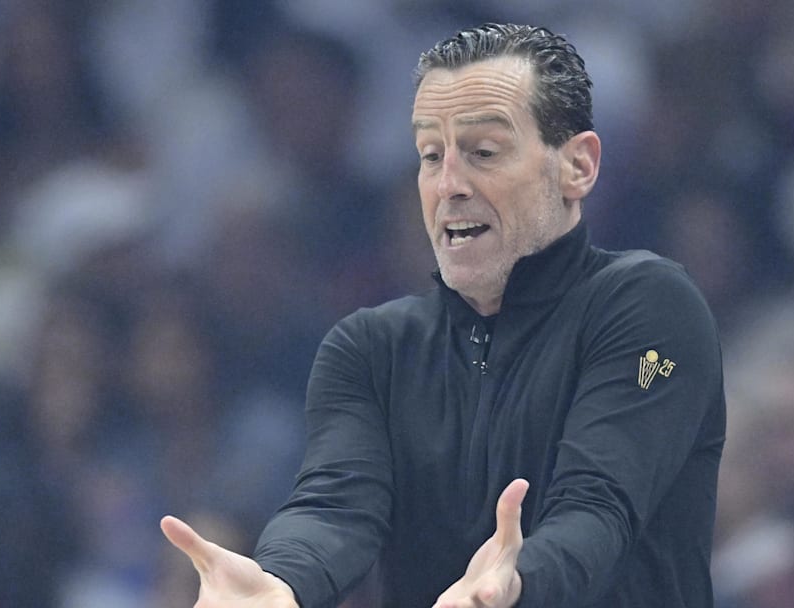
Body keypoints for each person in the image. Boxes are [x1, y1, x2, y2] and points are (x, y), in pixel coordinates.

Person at [162, 23, 725, 608]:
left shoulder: (651, 311)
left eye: (484, 152)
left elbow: (600, 502)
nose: (449, 184)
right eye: (432, 155)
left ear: (577, 166)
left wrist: (518, 579)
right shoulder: (370, 348)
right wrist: (282, 580)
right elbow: (335, 507)